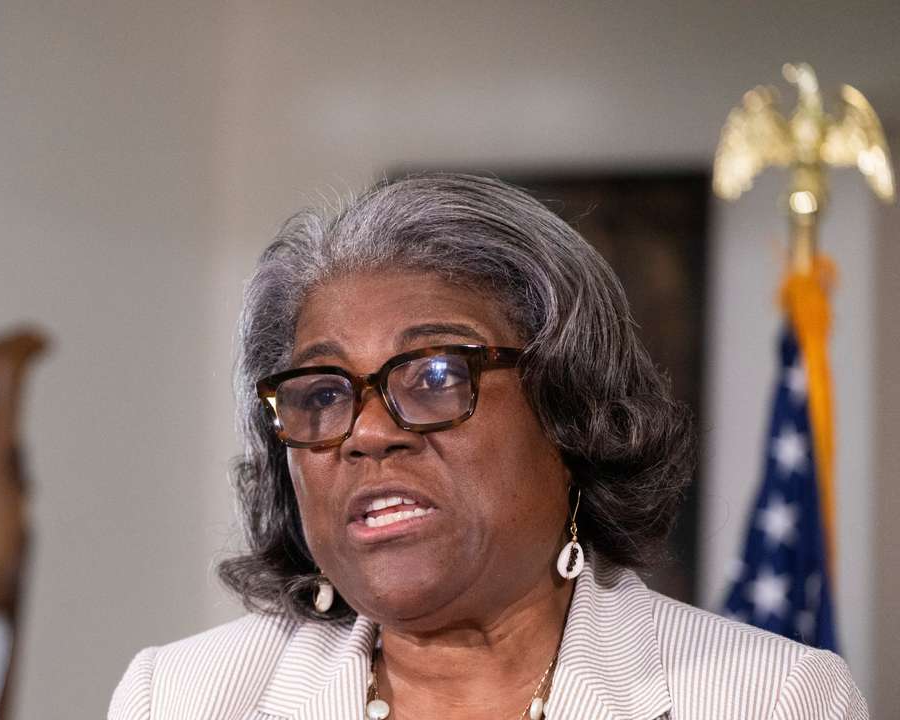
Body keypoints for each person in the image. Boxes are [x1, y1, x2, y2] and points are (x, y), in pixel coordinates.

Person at [109, 174, 867, 719]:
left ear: (570, 416)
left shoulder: (769, 698)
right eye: (321, 393)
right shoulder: (181, 696)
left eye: (436, 374)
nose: (368, 433)